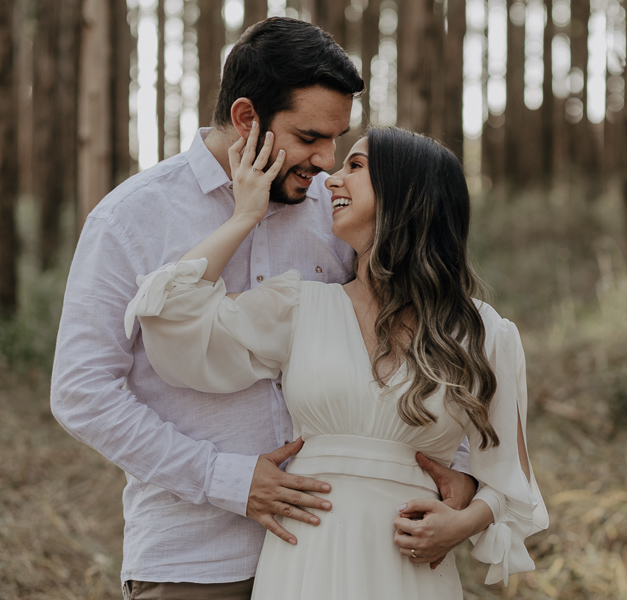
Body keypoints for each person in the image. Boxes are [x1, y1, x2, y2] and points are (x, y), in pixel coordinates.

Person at [50, 18, 476, 600]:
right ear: (248, 118)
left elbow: (422, 332)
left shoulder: (338, 212)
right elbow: (82, 391)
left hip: (341, 555)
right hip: (197, 559)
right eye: (308, 138)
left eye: (337, 138)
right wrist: (227, 479)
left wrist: (466, 473)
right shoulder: (130, 219)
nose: (327, 160)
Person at [125, 123, 548, 599]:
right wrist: (245, 215)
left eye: (357, 166)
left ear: (406, 191)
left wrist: (463, 522)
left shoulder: (484, 334)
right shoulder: (300, 307)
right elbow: (173, 313)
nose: (331, 178)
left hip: (408, 568)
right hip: (306, 562)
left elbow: (512, 480)